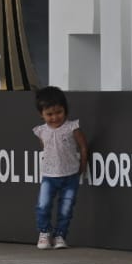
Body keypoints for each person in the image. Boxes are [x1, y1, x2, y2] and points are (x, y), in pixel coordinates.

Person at [32, 86, 88, 250]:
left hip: (70, 176)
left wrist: (82, 165)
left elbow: (83, 147)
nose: (55, 117)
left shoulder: (72, 128)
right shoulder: (41, 131)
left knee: (66, 208)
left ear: (65, 110)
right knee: (43, 205)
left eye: (59, 112)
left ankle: (60, 236)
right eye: (49, 114)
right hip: (49, 176)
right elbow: (45, 148)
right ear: (41, 114)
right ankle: (44, 233)